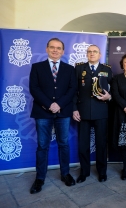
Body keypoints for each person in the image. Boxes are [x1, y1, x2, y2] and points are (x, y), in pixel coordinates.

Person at [29, 38, 77, 194]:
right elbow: (34, 89)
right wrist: (49, 104)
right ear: (47, 49)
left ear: (63, 51)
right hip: (43, 111)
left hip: (63, 112)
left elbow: (72, 89)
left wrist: (59, 105)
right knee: (42, 146)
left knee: (64, 144)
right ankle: (40, 178)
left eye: (58, 48)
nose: (55, 50)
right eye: (52, 47)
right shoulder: (37, 67)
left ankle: (65, 174)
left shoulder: (70, 69)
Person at [73, 45, 112, 183]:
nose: (92, 54)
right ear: (86, 54)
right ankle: (84, 172)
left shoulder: (107, 69)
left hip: (101, 111)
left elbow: (112, 89)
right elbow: (73, 90)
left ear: (100, 54)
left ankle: (102, 172)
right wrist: (74, 109)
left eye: (94, 51)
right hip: (82, 112)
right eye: (89, 52)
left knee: (101, 144)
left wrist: (109, 97)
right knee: (83, 145)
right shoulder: (79, 68)